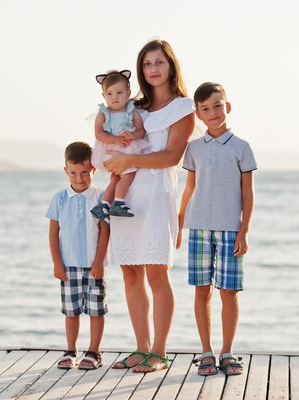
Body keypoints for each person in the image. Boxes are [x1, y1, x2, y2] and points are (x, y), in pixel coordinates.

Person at [104, 39, 195, 373]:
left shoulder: (184, 108)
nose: (153, 69)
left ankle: (159, 351)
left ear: (170, 65)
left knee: (157, 273)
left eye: (159, 62)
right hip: (126, 195)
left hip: (156, 194)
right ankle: (140, 348)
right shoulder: (133, 108)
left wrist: (130, 157)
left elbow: (172, 156)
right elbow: (107, 134)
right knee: (130, 272)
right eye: (147, 64)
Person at [176, 82, 256, 376]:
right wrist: (180, 220)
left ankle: (227, 351)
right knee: (201, 291)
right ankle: (206, 351)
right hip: (198, 228)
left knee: (229, 292)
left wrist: (244, 230)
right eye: (205, 109)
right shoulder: (194, 148)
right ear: (198, 114)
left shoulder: (241, 148)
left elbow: (248, 194)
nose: (212, 113)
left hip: (229, 231)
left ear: (228, 107)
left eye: (217, 106)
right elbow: (189, 188)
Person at [46, 141, 110, 370]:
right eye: (73, 172)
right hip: (68, 265)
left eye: (84, 172)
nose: (79, 178)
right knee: (71, 311)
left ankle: (94, 352)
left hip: (94, 265)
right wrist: (57, 262)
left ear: (93, 169)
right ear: (66, 170)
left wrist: (99, 261)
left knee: (96, 309)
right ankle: (70, 350)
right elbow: (54, 232)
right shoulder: (60, 198)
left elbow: (105, 231)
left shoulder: (101, 197)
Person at [90, 70, 149, 222]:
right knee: (127, 176)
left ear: (128, 93)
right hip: (110, 149)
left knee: (115, 180)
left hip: (127, 146)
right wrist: (114, 140)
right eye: (109, 93)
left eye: (119, 92)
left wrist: (133, 135)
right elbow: (98, 133)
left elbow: (141, 130)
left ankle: (103, 205)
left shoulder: (132, 111)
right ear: (104, 96)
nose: (114, 97)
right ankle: (119, 202)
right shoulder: (103, 113)